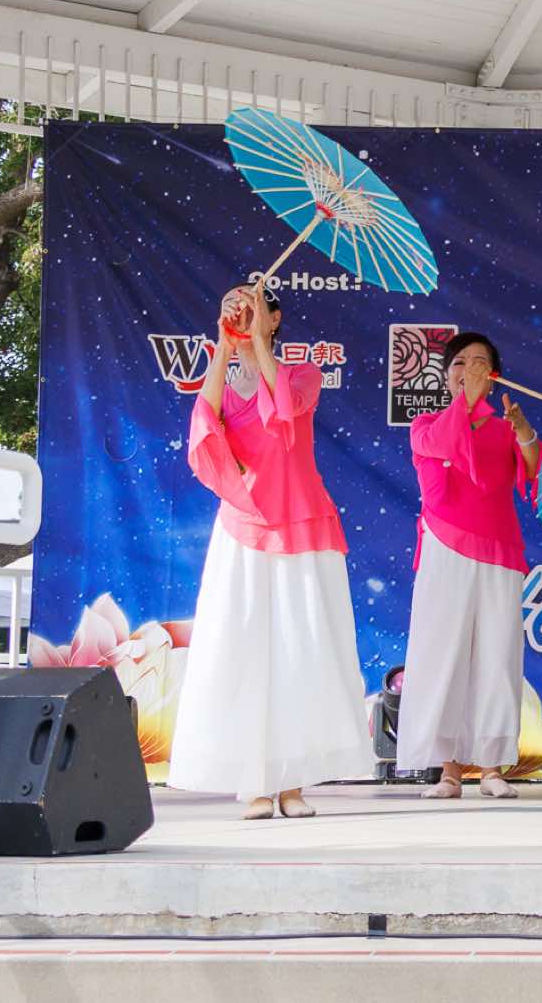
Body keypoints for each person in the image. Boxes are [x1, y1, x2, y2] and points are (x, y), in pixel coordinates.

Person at [171, 284, 373, 819]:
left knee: (299, 651)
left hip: (302, 523)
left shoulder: (302, 374)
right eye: (231, 306)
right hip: (244, 529)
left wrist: (258, 340)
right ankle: (255, 783)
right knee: (243, 652)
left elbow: (285, 409)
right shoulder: (222, 377)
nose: (241, 313)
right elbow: (204, 426)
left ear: (275, 316)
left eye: (251, 305)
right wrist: (224, 343)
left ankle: (293, 782)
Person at [396, 332, 542, 799]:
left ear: (494, 375)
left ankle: (493, 767)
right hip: (445, 546)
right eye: (461, 362)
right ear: (447, 375)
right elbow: (446, 444)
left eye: (481, 362)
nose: (470, 369)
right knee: (446, 654)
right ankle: (449, 771)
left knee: (497, 655)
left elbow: (532, 470)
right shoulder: (425, 423)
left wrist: (523, 430)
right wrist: (469, 401)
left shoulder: (504, 428)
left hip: (499, 547)